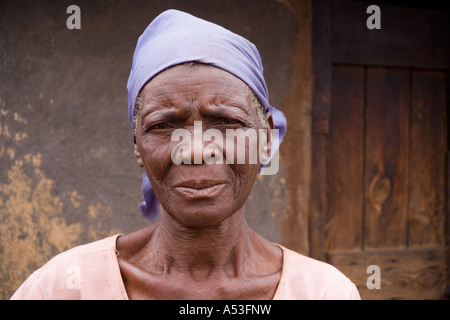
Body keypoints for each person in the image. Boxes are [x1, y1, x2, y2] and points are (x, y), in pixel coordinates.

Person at [11, 9, 360, 300]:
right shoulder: (62, 287)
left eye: (225, 121)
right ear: (137, 146)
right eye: (164, 125)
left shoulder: (325, 292)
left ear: (266, 138)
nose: (195, 150)